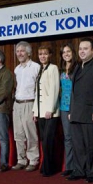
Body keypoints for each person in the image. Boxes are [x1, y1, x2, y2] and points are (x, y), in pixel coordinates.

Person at [68, 38, 93, 183]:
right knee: (78, 145)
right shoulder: (78, 67)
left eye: (85, 48)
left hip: (92, 113)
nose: (82, 51)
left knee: (92, 145)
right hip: (77, 113)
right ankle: (79, 170)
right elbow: (74, 92)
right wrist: (71, 111)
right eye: (80, 49)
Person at [13, 41, 41, 171]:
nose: (20, 53)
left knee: (31, 134)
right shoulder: (17, 69)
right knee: (18, 134)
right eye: (18, 51)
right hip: (17, 104)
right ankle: (21, 160)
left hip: (29, 103)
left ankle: (33, 160)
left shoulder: (36, 67)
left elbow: (38, 89)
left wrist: (36, 109)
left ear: (28, 52)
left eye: (22, 51)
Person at [32, 46, 60, 177]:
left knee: (49, 140)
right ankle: (46, 165)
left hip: (50, 112)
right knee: (44, 140)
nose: (42, 56)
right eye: (40, 54)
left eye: (45, 54)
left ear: (50, 55)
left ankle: (49, 167)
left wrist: (50, 109)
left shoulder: (53, 68)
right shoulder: (40, 70)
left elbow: (54, 89)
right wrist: (35, 111)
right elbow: (37, 92)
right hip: (40, 111)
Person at [59, 43, 77, 176]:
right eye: (64, 52)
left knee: (77, 138)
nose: (66, 54)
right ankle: (69, 166)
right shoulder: (61, 70)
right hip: (63, 107)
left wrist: (73, 109)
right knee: (68, 138)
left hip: (75, 106)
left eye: (68, 51)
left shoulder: (78, 68)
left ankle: (78, 167)